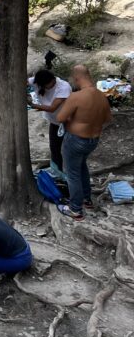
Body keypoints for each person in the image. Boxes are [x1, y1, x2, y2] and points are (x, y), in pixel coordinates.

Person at [56, 64, 112, 220]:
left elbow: (60, 117)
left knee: (72, 174)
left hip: (75, 140)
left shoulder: (76, 96)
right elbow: (108, 118)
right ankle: (87, 199)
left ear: (77, 78)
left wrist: (75, 119)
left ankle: (75, 209)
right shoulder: (102, 96)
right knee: (81, 167)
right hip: (93, 141)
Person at [28, 68, 72, 176]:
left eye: (48, 85)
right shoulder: (37, 81)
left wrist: (32, 105)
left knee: (67, 149)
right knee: (54, 147)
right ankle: (57, 171)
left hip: (68, 122)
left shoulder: (63, 87)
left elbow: (52, 108)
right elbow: (23, 82)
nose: (46, 87)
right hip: (54, 122)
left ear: (53, 79)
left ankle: (70, 173)